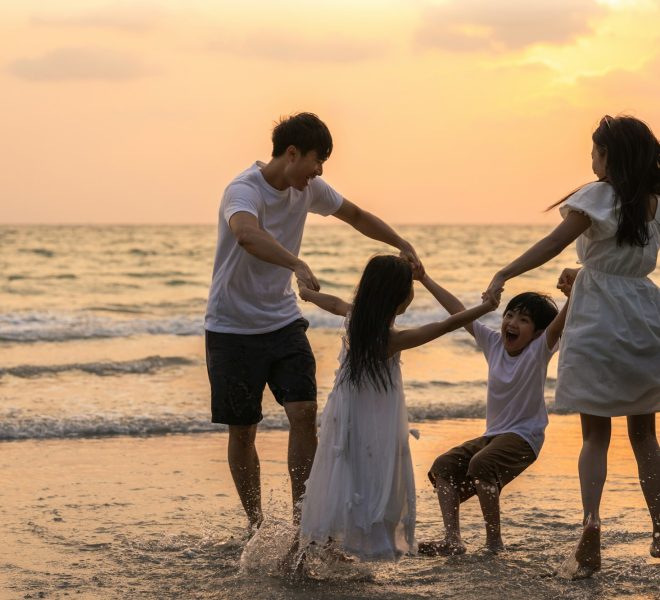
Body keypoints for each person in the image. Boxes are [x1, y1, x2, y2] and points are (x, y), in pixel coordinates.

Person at [205, 113, 422, 531]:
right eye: (316, 161)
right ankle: (256, 525)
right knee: (243, 431)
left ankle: (305, 524)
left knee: (304, 413)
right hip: (231, 327)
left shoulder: (309, 190)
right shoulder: (242, 190)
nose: (319, 171)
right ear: (291, 154)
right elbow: (246, 235)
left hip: (284, 320)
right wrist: (296, 262)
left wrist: (400, 242)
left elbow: (356, 215)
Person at [484, 115, 660, 577]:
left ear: (610, 156)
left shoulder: (598, 195)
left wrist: (505, 273)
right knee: (644, 435)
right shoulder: (653, 202)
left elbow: (552, 243)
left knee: (595, 436)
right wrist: (591, 275)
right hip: (644, 315)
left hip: (598, 320)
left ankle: (591, 527)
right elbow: (625, 264)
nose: (591, 158)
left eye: (595, 150)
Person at [297, 255, 500, 560]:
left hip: (342, 415)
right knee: (366, 475)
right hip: (369, 422)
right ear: (400, 296)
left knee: (339, 472)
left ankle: (320, 542)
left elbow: (333, 303)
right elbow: (446, 325)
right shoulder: (390, 339)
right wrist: (486, 307)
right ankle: (338, 541)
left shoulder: (356, 321)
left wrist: (308, 293)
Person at [418, 280, 569, 555]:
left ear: (537, 333)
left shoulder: (539, 349)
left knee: (482, 464)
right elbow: (458, 311)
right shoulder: (494, 343)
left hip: (525, 436)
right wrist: (425, 278)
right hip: (493, 436)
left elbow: (559, 323)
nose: (512, 322)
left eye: (524, 320)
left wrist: (575, 293)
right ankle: (453, 540)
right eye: (510, 315)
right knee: (444, 465)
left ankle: (494, 544)